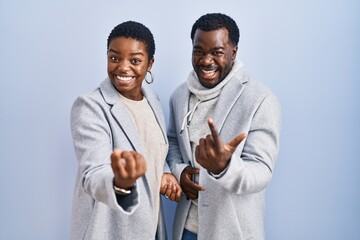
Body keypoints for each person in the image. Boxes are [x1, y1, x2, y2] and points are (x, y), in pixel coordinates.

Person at [166, 13, 281, 240]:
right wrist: (179, 172)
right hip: (186, 228)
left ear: (233, 52)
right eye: (199, 51)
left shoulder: (260, 99)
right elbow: (171, 142)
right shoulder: (179, 95)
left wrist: (224, 167)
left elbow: (261, 171)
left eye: (217, 52)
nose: (206, 60)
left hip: (231, 231)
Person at [70, 21, 181, 240]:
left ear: (150, 64)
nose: (123, 67)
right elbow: (92, 172)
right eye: (114, 58)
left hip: (149, 229)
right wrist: (118, 182)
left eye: (135, 60)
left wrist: (165, 172)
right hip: (109, 232)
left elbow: (151, 148)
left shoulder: (153, 101)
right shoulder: (90, 106)